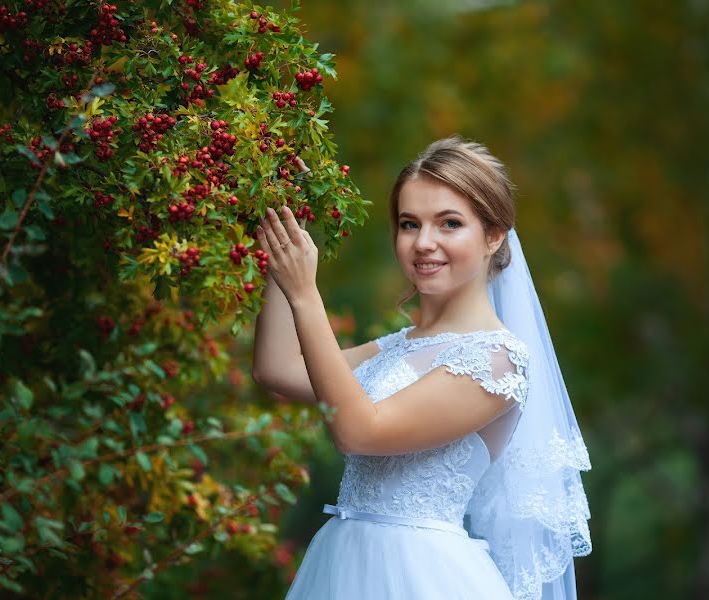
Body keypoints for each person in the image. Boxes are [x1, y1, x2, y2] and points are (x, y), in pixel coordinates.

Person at [252, 135, 592, 599]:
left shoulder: (496, 360)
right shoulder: (395, 347)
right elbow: (278, 369)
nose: (424, 243)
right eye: (409, 224)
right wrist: (281, 256)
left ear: (494, 235)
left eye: (449, 223)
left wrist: (306, 294)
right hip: (344, 562)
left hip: (423, 575)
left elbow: (358, 432)